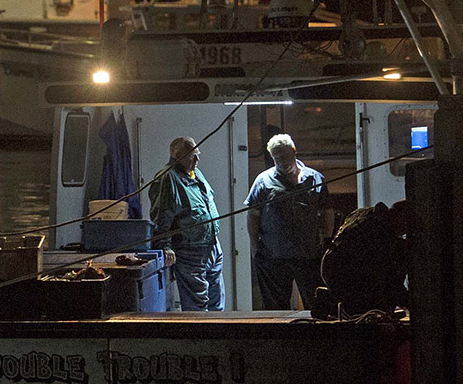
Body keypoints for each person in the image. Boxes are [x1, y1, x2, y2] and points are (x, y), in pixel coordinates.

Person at [245, 133, 334, 310]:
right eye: (276, 159)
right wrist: (255, 247)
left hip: (309, 255)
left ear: (293, 151)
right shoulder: (263, 181)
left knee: (316, 305)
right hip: (273, 256)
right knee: (275, 308)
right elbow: (253, 215)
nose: (281, 162)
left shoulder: (315, 178)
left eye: (284, 157)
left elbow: (327, 211)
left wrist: (327, 240)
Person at [148, 136, 223, 311]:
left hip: (212, 247)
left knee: (216, 301)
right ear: (176, 155)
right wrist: (164, 245)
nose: (197, 159)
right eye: (191, 155)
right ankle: (199, 337)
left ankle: (219, 336)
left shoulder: (196, 173)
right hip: (190, 251)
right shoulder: (167, 178)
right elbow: (161, 215)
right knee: (197, 305)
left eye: (197, 154)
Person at [315, 199, 411, 318]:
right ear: (402, 218)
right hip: (347, 280)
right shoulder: (380, 234)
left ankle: (333, 300)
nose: (405, 233)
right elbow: (392, 284)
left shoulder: (363, 213)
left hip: (331, 271)